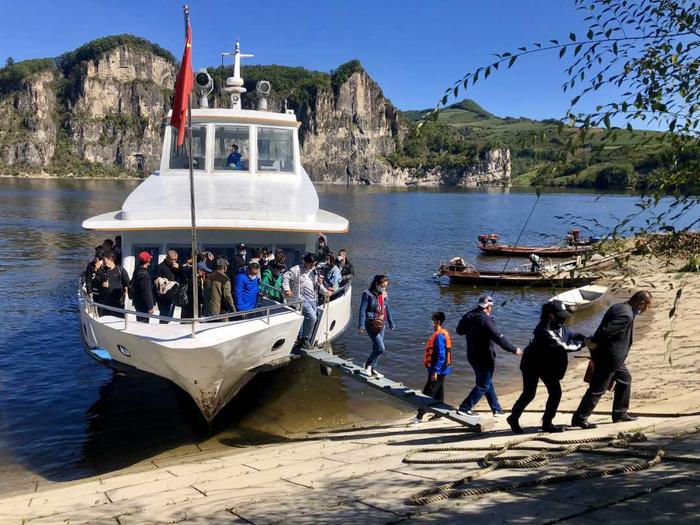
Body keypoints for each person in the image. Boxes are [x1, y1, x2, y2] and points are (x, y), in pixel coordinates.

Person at [571, 291, 653, 429]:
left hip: (615, 357)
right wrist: (593, 342)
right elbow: (606, 331)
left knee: (625, 380)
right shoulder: (625, 314)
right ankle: (580, 418)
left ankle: (620, 414)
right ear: (641, 303)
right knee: (598, 388)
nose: (646, 310)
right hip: (608, 357)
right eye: (647, 307)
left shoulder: (620, 307)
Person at [507, 300, 586, 433]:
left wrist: (583, 337)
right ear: (551, 315)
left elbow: (569, 335)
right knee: (529, 394)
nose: (564, 318)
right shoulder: (544, 330)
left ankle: (547, 423)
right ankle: (513, 418)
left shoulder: (558, 325)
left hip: (546, 365)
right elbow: (563, 346)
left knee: (555, 393)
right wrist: (584, 344)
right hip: (531, 364)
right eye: (561, 315)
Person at [456, 295, 523, 417]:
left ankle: (496, 409)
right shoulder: (485, 320)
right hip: (484, 357)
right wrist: (513, 349)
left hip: (472, 355)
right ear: (488, 307)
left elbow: (459, 331)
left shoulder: (469, 316)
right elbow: (498, 337)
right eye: (490, 307)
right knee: (483, 385)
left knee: (486, 382)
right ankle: (465, 408)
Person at [409, 311, 452, 425]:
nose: (432, 321)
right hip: (442, 369)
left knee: (428, 392)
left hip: (438, 369)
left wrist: (435, 371)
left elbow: (441, 356)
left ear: (438, 321)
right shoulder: (440, 333)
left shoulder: (439, 336)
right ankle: (439, 414)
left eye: (433, 319)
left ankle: (419, 417)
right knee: (438, 393)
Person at [282, 253, 330, 349]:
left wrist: (325, 292)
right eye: (311, 264)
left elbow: (318, 285)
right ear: (306, 262)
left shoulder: (315, 271)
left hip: (313, 298)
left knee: (309, 319)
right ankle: (305, 339)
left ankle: (302, 338)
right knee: (312, 317)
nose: (312, 266)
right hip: (300, 299)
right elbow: (285, 277)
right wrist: (287, 289)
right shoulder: (296, 269)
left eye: (314, 264)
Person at [358, 274, 395, 378]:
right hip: (371, 324)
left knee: (376, 348)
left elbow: (387, 309)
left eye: (385, 286)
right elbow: (362, 310)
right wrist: (361, 325)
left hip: (381, 324)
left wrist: (391, 322)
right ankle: (368, 364)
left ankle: (373, 368)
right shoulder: (367, 294)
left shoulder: (384, 294)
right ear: (376, 284)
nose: (384, 288)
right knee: (381, 348)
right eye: (382, 286)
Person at [93, 251, 129, 318]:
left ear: (111, 259)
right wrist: (97, 270)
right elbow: (95, 284)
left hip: (117, 304)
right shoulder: (102, 271)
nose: (103, 262)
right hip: (104, 305)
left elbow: (128, 284)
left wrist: (126, 291)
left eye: (104, 260)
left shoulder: (120, 270)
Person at [154, 250, 181, 323]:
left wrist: (178, 269)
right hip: (164, 298)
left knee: (169, 319)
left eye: (175, 259)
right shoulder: (161, 267)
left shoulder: (175, 267)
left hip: (173, 297)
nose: (173, 261)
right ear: (167, 258)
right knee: (164, 318)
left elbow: (180, 277)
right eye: (172, 259)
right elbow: (156, 282)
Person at [130, 251, 156, 323]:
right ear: (147, 261)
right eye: (149, 259)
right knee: (143, 323)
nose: (150, 260)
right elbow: (146, 292)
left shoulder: (137, 271)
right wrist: (150, 306)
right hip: (143, 305)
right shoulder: (144, 275)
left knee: (139, 321)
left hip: (137, 302)